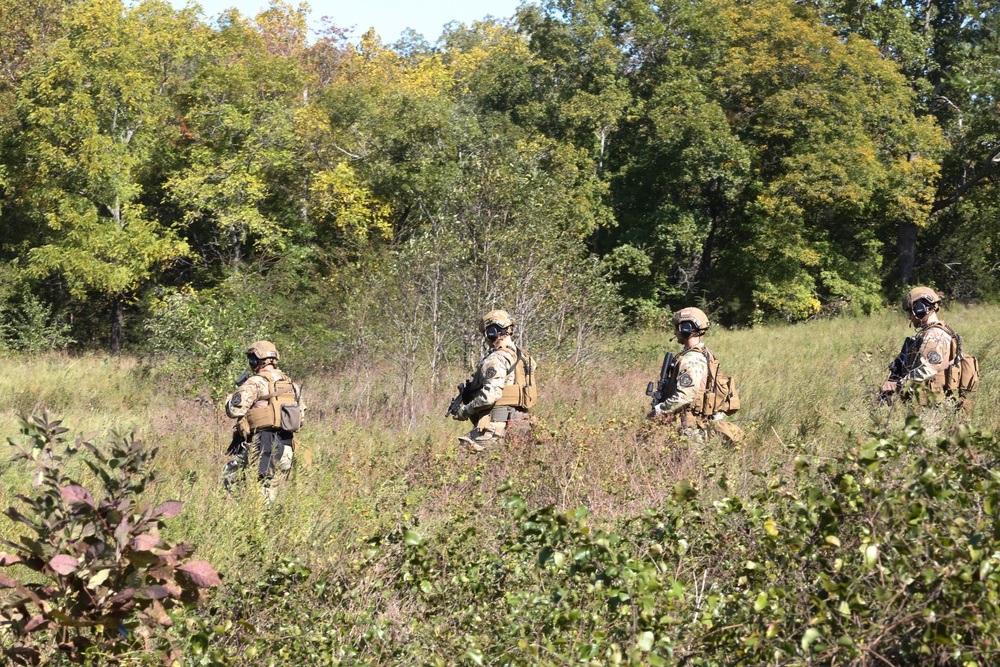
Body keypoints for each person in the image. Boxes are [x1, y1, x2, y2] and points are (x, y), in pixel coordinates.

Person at [648, 307, 742, 442]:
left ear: (686, 328)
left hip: (692, 427)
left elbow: (686, 395)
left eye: (678, 327)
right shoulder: (705, 352)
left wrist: (658, 412)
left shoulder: (692, 358)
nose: (675, 332)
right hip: (701, 421)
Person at [223, 340, 302, 500]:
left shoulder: (255, 382)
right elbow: (301, 417)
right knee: (269, 490)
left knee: (230, 476)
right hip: (287, 449)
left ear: (256, 360)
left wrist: (232, 396)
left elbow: (233, 410)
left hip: (261, 448)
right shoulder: (292, 385)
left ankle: (247, 516)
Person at [451, 310, 536, 451]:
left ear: (492, 332)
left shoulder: (496, 359)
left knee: (462, 458)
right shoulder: (525, 358)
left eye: (486, 333)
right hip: (522, 424)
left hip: (496, 426)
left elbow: (490, 396)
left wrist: (465, 411)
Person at [879, 286, 969, 412]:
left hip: (936, 408)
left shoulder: (935, 335)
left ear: (920, 309)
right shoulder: (931, 333)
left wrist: (896, 385)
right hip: (929, 404)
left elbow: (927, 370)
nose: (909, 317)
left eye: (911, 312)